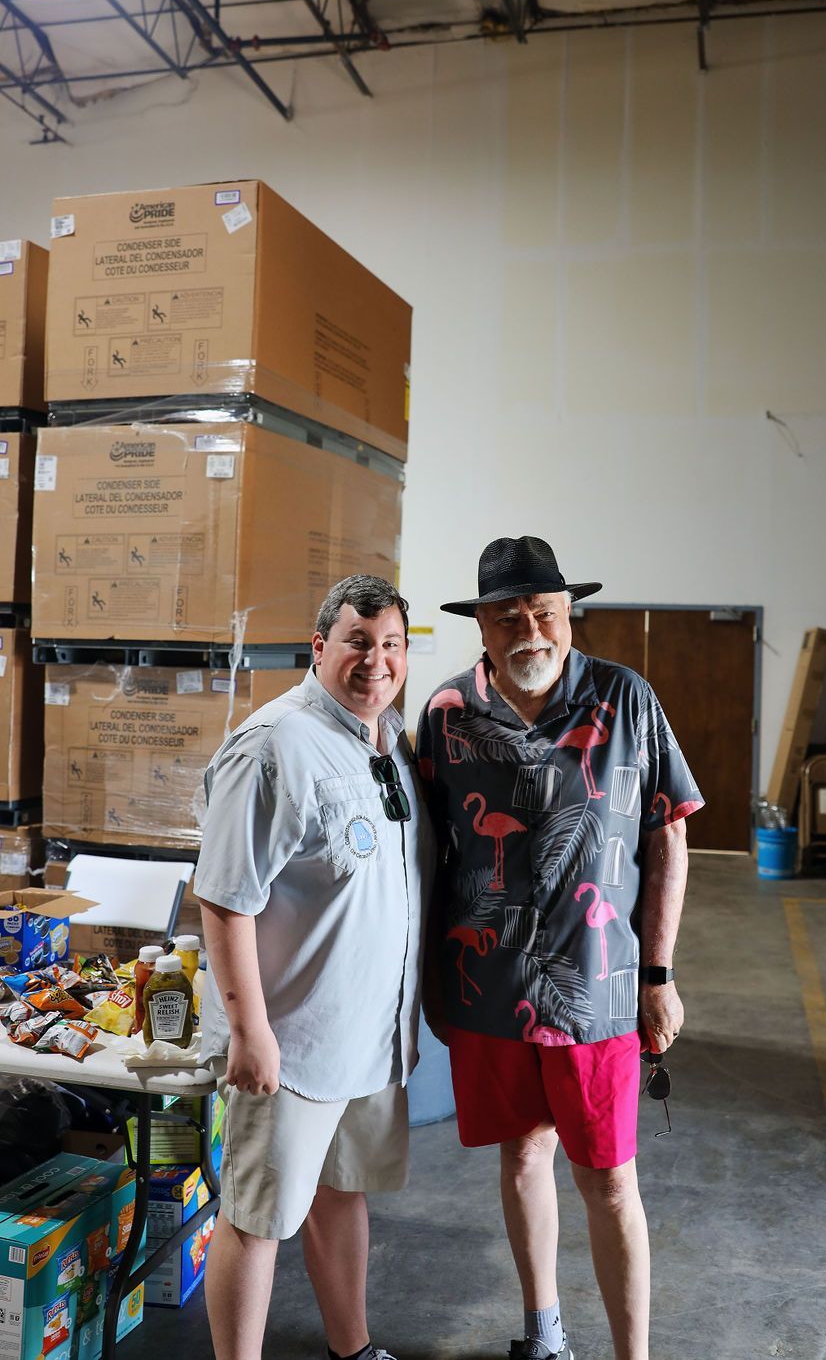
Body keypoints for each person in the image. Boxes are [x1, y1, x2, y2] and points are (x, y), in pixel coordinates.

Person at [417, 537, 703, 1360]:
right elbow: (429, 855)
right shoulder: (443, 716)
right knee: (521, 1151)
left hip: (600, 987)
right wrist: (435, 980)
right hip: (490, 987)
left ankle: (631, 1355)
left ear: (568, 615)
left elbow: (669, 840)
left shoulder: (626, 698)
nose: (529, 631)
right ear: (482, 627)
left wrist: (659, 974)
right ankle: (544, 1333)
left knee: (610, 1178)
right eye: (508, 617)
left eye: (544, 613)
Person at [194, 575, 434, 1360]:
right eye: (359, 641)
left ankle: (353, 1348)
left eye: (391, 644)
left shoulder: (387, 742)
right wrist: (250, 1030)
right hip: (292, 1043)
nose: (376, 661)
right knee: (257, 1218)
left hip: (367, 1040)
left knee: (343, 1194)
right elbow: (226, 900)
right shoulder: (275, 746)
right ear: (320, 647)